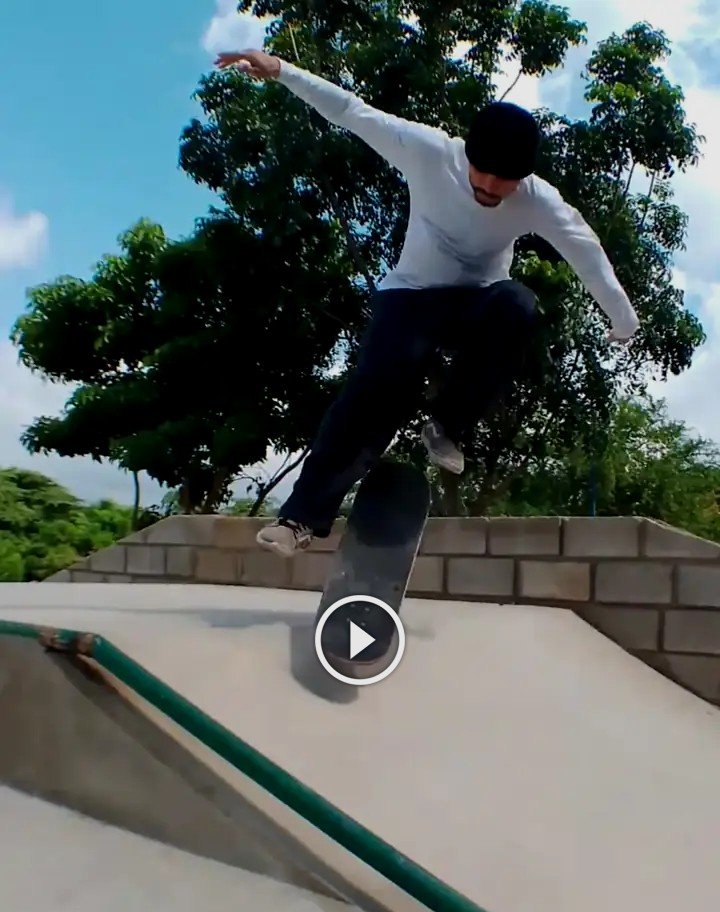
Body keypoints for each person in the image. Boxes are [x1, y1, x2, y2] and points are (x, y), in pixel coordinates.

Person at [215, 49, 639, 558]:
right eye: (483, 173)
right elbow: (352, 111)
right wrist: (283, 71)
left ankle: (447, 427)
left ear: (524, 176)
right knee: (375, 390)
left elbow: (586, 250)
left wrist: (623, 319)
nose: (490, 187)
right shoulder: (429, 151)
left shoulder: (538, 199)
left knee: (518, 304)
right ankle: (300, 518)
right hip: (411, 296)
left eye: (505, 181)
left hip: (478, 301)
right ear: (467, 156)